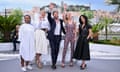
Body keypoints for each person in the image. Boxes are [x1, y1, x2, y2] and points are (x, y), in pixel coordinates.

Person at [47, 3, 66, 69]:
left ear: (58, 14)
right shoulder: (51, 20)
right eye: (54, 14)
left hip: (58, 37)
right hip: (52, 37)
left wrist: (66, 33)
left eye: (57, 14)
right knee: (53, 50)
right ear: (53, 15)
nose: (56, 15)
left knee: (57, 50)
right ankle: (53, 64)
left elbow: (63, 28)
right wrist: (50, 9)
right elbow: (48, 16)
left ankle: (54, 63)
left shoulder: (60, 21)